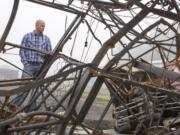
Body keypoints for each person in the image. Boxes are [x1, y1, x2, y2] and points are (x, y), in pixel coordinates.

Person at [12, 19, 52, 107]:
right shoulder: (27, 36)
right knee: (24, 87)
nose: (43, 27)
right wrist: (26, 63)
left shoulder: (46, 39)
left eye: (44, 26)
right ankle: (14, 106)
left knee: (35, 89)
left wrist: (45, 60)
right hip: (29, 65)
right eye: (42, 25)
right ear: (36, 25)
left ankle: (31, 109)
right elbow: (22, 50)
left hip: (40, 66)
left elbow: (50, 53)